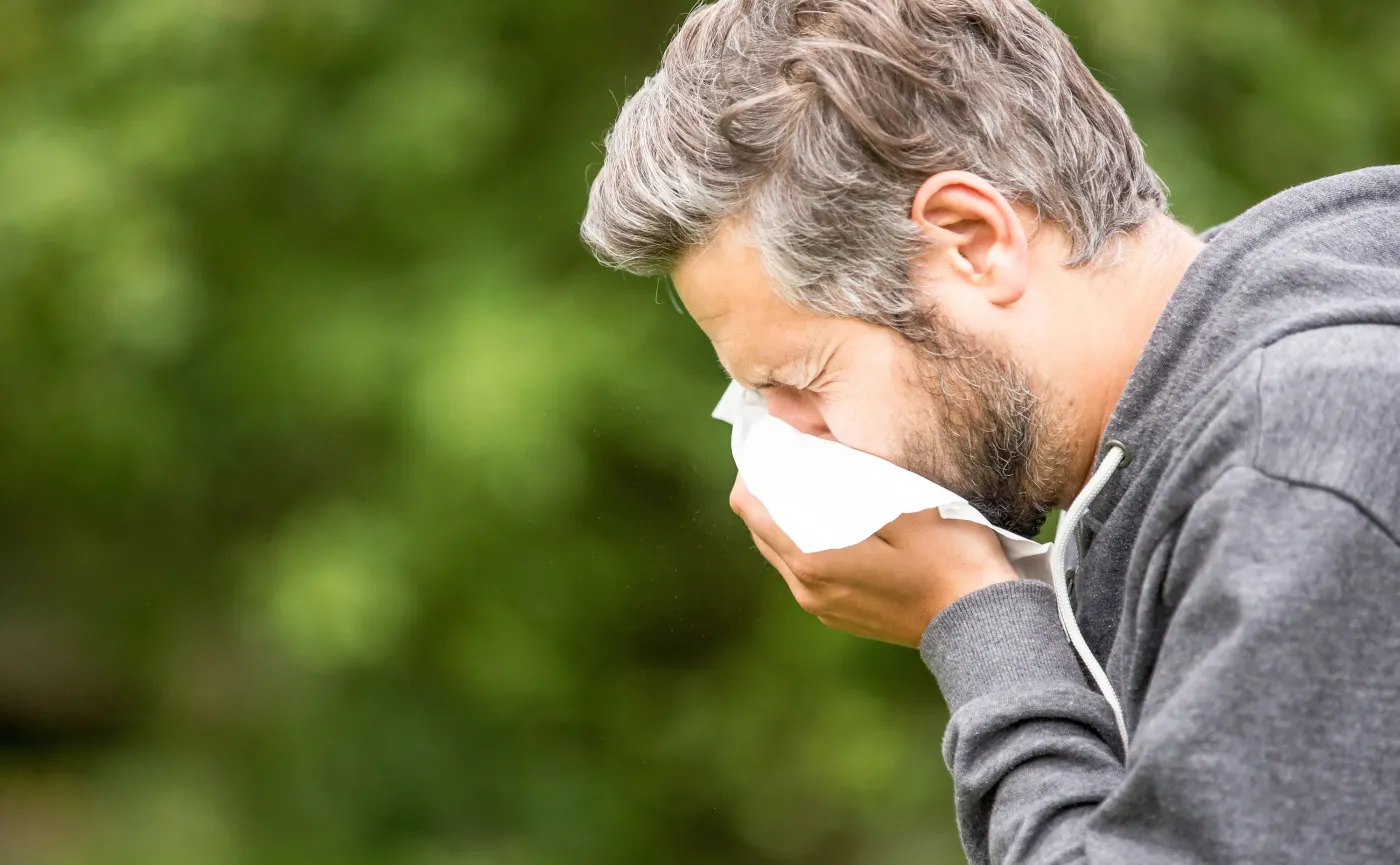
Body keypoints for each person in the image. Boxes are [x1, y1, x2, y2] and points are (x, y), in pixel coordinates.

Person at [580, 1, 1400, 862]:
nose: (789, 441)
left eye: (800, 379)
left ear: (972, 241)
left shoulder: (1299, 464)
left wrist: (975, 617)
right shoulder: (1238, 409)